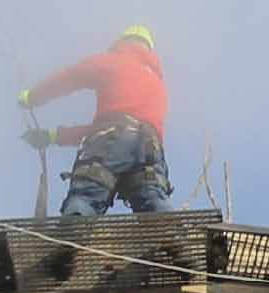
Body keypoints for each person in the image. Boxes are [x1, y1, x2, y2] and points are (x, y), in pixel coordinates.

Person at [19, 25, 170, 216]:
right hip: (150, 149)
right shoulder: (157, 83)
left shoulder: (113, 61)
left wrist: (33, 97)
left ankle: (73, 239)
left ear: (122, 43)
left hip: (110, 139)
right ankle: (172, 241)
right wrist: (53, 135)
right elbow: (120, 130)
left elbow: (71, 77)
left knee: (85, 196)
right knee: (153, 201)